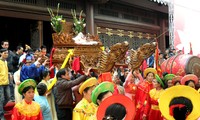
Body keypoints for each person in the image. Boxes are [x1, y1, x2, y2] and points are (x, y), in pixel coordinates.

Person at [0, 48, 10, 120]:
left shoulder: (6, 61)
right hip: (0, 83)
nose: (6, 54)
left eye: (7, 53)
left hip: (6, 82)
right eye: (4, 53)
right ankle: (1, 114)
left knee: (8, 97)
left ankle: (1, 109)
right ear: (0, 53)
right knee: (1, 99)